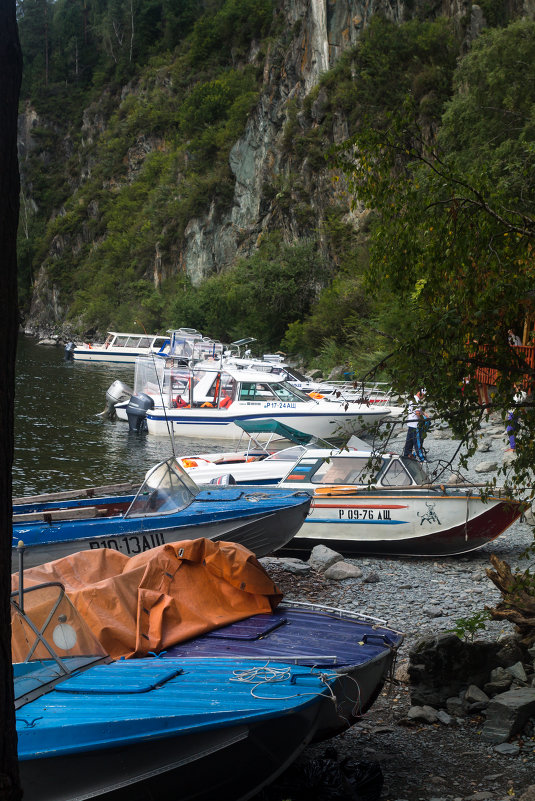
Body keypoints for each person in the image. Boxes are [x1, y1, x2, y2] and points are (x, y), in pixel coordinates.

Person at [403, 390, 426, 462]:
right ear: (421, 394)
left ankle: (406, 456)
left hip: (411, 424)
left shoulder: (413, 399)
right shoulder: (417, 400)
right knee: (417, 442)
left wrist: (425, 414)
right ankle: (421, 458)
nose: (424, 397)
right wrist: (423, 420)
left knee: (409, 442)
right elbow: (417, 412)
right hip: (416, 424)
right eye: (424, 396)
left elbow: (419, 411)